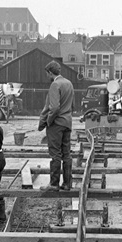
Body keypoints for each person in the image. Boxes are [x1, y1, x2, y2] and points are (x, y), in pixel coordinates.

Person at [38, 60, 74, 191]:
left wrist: (48, 121)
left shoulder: (55, 85)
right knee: (67, 154)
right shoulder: (69, 83)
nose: (47, 76)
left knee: (55, 154)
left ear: (49, 72)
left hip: (57, 124)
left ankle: (54, 184)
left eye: (47, 74)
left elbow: (54, 108)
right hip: (67, 123)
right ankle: (67, 183)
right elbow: (72, 105)